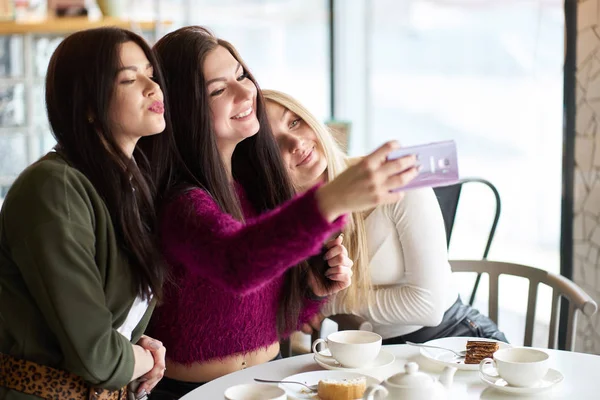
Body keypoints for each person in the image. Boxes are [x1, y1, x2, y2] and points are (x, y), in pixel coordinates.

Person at [145, 26, 418, 399]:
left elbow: (257, 320)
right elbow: (236, 263)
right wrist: (332, 199)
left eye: (241, 75)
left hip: (269, 382)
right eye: (219, 89)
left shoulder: (250, 190)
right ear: (186, 111)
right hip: (197, 393)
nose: (246, 92)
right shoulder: (181, 203)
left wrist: (314, 293)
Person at [0, 27, 171, 400]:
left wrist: (138, 345)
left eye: (150, 74)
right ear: (88, 106)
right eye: (129, 78)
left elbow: (104, 327)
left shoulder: (127, 186)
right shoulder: (54, 187)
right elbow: (97, 357)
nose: (152, 87)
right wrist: (143, 358)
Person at [263, 89, 508, 345]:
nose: (296, 143)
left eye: (294, 122)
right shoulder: (281, 227)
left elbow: (429, 305)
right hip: (368, 358)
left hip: (454, 340)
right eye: (273, 144)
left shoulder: (394, 179)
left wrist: (323, 303)